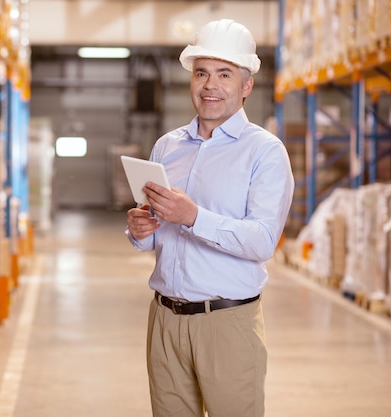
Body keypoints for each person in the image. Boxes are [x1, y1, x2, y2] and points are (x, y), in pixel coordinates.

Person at [125, 19, 294, 417]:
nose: (210, 85)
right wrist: (139, 230)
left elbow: (262, 240)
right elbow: (155, 235)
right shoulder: (167, 146)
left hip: (227, 322)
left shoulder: (265, 152)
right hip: (164, 319)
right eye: (201, 73)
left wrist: (194, 217)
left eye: (224, 74)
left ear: (246, 86)